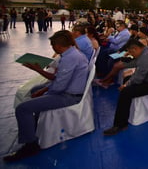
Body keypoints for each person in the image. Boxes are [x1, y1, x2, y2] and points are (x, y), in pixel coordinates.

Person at [3, 31, 89, 162]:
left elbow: (60, 86)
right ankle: (35, 126)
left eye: (53, 46)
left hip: (68, 96)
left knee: (22, 108)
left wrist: (46, 91)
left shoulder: (70, 58)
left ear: (58, 46)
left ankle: (30, 145)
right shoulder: (71, 54)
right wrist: (40, 76)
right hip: (68, 91)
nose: (53, 48)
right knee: (35, 90)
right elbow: (59, 79)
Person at [103, 39, 148, 136]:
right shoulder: (145, 51)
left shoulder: (147, 56)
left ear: (135, 49)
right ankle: (125, 109)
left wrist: (126, 84)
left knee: (125, 92)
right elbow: (136, 62)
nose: (131, 54)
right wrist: (123, 64)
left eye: (131, 52)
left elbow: (138, 78)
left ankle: (120, 124)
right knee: (127, 82)